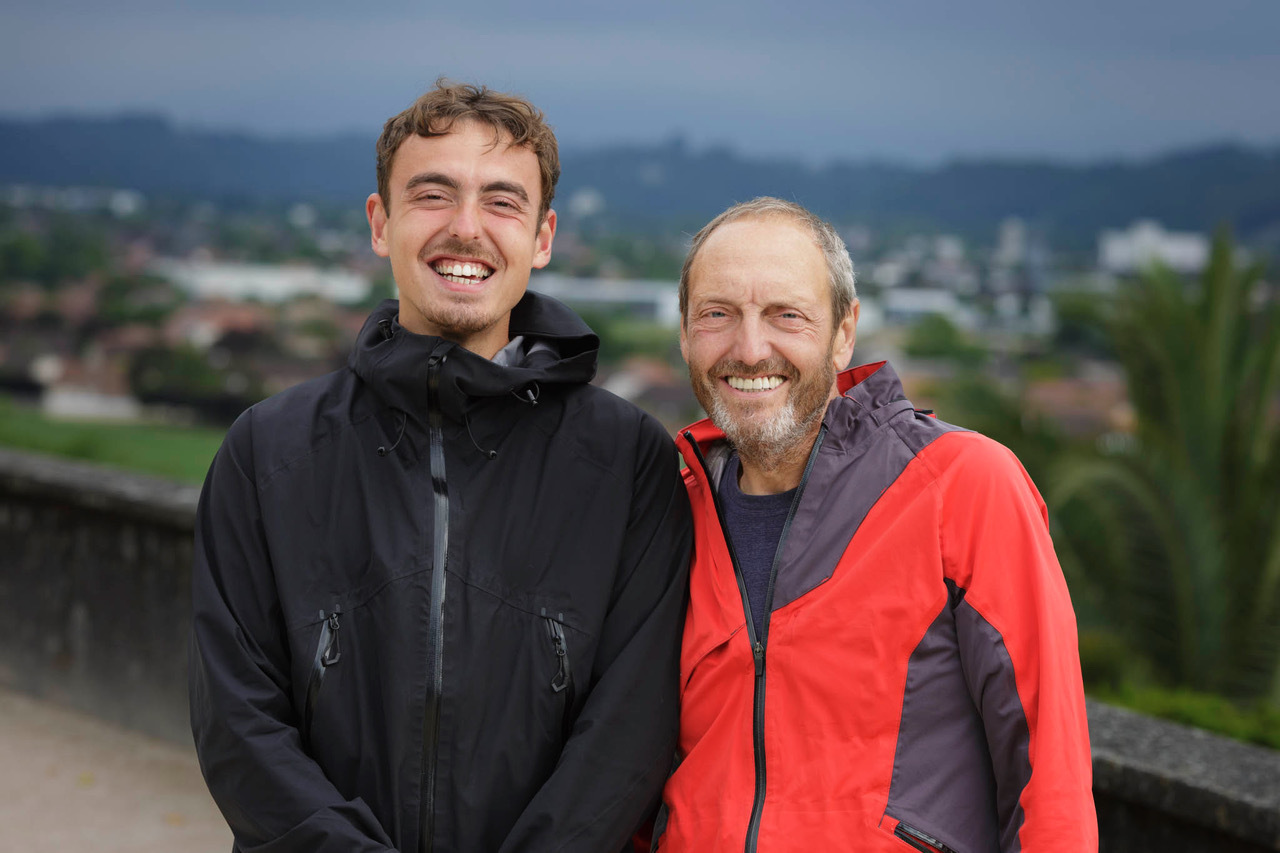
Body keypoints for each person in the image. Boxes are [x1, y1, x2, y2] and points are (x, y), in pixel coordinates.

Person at [188, 80, 692, 853]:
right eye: (433, 194)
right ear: (379, 222)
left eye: (501, 201)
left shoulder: (629, 463)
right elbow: (238, 721)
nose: (466, 229)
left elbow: (629, 733)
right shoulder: (267, 452)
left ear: (543, 235)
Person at [657, 198, 1096, 852]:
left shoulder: (963, 483)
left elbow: (1050, 781)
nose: (750, 348)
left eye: (787, 315)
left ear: (844, 331)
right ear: (687, 334)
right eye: (717, 314)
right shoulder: (666, 504)